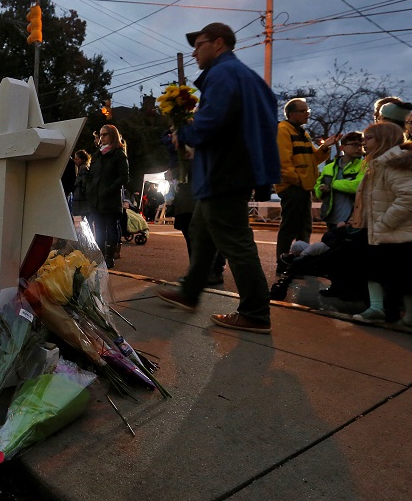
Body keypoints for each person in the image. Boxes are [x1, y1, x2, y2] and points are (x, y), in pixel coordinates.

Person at [155, 22, 280, 334]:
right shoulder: (246, 76)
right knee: (201, 231)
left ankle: (255, 311)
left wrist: (183, 132)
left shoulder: (222, 74)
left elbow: (211, 122)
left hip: (224, 171)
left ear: (219, 43)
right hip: (232, 168)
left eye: (199, 45)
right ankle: (189, 292)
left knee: (235, 241)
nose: (195, 52)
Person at [349, 122, 412, 327]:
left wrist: (384, 221)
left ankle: (395, 312)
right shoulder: (381, 163)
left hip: (402, 229)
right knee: (392, 272)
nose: (364, 142)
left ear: (384, 140)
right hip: (393, 229)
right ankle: (402, 314)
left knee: (400, 274)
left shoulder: (394, 163)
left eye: (369, 137)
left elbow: (409, 197)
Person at [275, 98, 339, 272]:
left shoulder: (302, 133)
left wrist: (325, 148)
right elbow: (282, 163)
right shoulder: (282, 130)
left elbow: (314, 159)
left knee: (304, 227)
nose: (307, 114)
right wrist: (297, 181)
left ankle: (300, 263)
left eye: (307, 110)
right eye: (303, 111)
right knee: (290, 227)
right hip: (293, 187)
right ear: (291, 114)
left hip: (302, 187)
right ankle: (283, 265)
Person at [87, 124, 129, 268]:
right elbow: (91, 175)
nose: (102, 137)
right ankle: (100, 257)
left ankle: (109, 257)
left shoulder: (118, 154)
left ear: (112, 135)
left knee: (110, 228)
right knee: (98, 229)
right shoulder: (97, 154)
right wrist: (90, 189)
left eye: (105, 134)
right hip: (97, 199)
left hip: (110, 199)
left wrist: (109, 190)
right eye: (101, 134)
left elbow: (123, 177)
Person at [314, 131, 365, 232]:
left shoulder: (364, 165)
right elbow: (317, 188)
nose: (359, 148)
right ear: (343, 148)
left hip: (353, 220)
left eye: (361, 145)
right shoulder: (328, 168)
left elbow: (358, 186)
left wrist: (332, 184)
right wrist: (322, 189)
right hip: (331, 219)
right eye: (355, 145)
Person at [71, 150, 91, 219]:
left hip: (81, 198)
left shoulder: (83, 168)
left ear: (82, 159)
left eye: (77, 159)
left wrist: (82, 192)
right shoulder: (83, 167)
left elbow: (85, 182)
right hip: (80, 197)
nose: (75, 161)